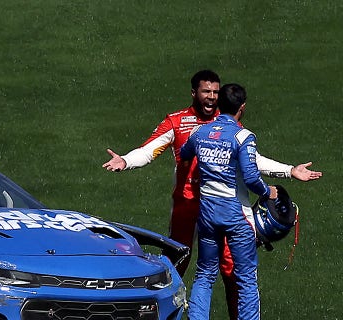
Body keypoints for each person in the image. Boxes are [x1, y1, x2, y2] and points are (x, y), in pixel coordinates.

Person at [101, 70, 322, 319]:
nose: (211, 97)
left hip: (215, 205)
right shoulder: (178, 121)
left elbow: (252, 160)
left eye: (216, 92)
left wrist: (289, 170)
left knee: (229, 269)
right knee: (177, 263)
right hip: (187, 204)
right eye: (206, 92)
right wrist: (126, 161)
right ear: (194, 93)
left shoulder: (225, 121)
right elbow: (150, 149)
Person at [180, 83, 275, 319]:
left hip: (207, 213)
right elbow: (252, 178)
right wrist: (267, 192)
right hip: (236, 215)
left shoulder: (199, 132)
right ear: (242, 108)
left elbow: (184, 154)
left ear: (218, 104)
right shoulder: (244, 136)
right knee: (245, 277)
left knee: (204, 274)